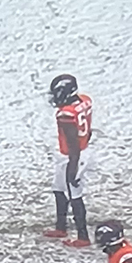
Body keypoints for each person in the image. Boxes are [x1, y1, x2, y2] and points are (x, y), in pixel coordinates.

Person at [44, 74, 92, 247]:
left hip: (73, 156)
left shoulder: (65, 114)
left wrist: (73, 168)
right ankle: (61, 227)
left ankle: (83, 236)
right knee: (58, 189)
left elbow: (73, 144)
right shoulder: (85, 100)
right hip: (78, 152)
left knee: (75, 195)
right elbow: (88, 131)